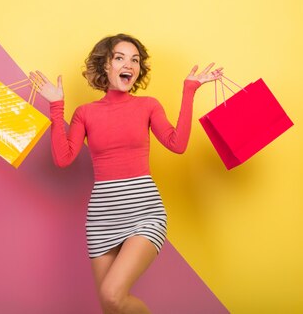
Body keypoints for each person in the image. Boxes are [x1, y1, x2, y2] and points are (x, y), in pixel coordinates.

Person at [30, 33, 222, 314]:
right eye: (119, 58)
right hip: (102, 217)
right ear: (105, 66)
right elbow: (63, 158)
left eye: (135, 60)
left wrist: (189, 90)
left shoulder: (148, 106)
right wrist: (56, 107)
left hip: (144, 212)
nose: (129, 65)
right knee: (111, 307)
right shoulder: (85, 113)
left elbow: (177, 144)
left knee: (113, 294)